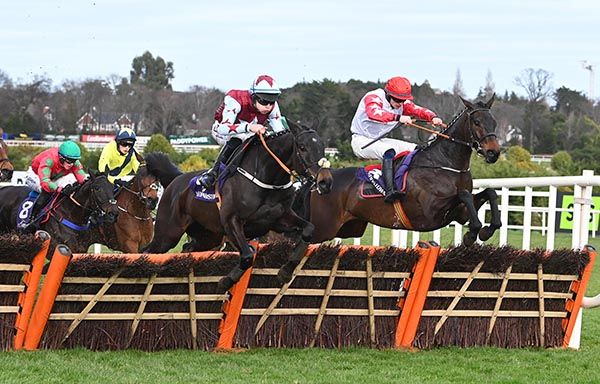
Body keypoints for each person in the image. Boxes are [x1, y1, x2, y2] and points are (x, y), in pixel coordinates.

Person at [350, 76, 444, 203]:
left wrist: (433, 117)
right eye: (397, 99)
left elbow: (417, 110)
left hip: (379, 140)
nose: (400, 103)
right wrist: (398, 117)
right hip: (361, 141)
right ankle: (390, 191)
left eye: (403, 100)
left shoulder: (401, 103)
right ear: (388, 94)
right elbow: (375, 113)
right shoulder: (373, 97)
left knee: (415, 149)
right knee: (388, 151)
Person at [196, 74, 287, 189]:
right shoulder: (235, 100)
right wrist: (249, 127)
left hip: (249, 132)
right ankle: (213, 173)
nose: (268, 106)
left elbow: (281, 132)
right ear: (253, 97)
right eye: (264, 101)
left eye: (272, 101)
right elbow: (223, 128)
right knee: (238, 138)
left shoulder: (272, 106)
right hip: (223, 131)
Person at [21, 140, 89, 228]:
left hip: (55, 177)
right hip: (36, 175)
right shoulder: (49, 159)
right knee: (46, 192)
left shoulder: (73, 161)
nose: (71, 164)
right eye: (69, 161)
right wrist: (59, 189)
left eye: (74, 161)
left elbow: (82, 180)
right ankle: (30, 220)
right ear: (61, 157)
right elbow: (45, 181)